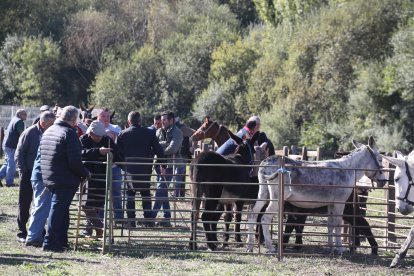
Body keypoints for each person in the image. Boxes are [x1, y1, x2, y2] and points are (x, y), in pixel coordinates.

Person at [40, 106, 90, 252]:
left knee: (61, 210)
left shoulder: (49, 130)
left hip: (50, 176)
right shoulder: (69, 133)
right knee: (58, 210)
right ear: (74, 119)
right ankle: (49, 242)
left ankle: (61, 241)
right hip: (64, 178)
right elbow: (75, 161)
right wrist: (85, 172)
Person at [117, 111, 164, 227]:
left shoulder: (122, 134)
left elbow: (117, 153)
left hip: (129, 170)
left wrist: (123, 166)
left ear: (129, 121)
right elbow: (159, 151)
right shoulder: (150, 133)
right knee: (146, 193)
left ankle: (131, 222)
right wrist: (163, 165)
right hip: (145, 169)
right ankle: (148, 221)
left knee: (130, 194)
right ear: (140, 121)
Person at [15, 111, 55, 243]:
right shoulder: (30, 132)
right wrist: (23, 171)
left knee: (40, 203)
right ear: (43, 123)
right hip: (28, 173)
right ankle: (22, 230)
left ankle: (39, 230)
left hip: (43, 174)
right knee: (25, 202)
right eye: (51, 124)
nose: (53, 126)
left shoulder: (51, 133)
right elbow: (19, 153)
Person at [80, 121, 124, 237]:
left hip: (102, 176)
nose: (99, 138)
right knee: (85, 204)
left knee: (98, 204)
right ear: (91, 133)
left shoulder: (107, 140)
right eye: (97, 135)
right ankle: (98, 227)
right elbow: (80, 153)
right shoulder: (83, 140)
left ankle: (89, 229)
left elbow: (119, 154)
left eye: (101, 135)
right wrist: (98, 151)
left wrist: (112, 155)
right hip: (87, 176)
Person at [152, 111, 183, 227]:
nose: (162, 122)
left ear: (171, 121)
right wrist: (164, 144)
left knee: (160, 189)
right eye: (162, 119)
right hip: (158, 164)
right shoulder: (159, 131)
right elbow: (153, 145)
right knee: (163, 191)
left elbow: (173, 148)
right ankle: (167, 218)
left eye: (165, 120)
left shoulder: (178, 132)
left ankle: (151, 217)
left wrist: (159, 148)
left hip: (170, 165)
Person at [97, 107, 124, 221]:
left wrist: (114, 135)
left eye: (108, 116)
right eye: (103, 116)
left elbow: (121, 142)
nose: (106, 118)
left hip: (114, 166)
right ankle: (100, 219)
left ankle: (118, 218)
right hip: (99, 166)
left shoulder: (116, 128)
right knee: (100, 193)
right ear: (98, 117)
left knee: (116, 193)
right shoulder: (94, 128)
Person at [0, 109, 27, 187]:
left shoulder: (14, 120)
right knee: (12, 164)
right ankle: (9, 182)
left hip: (7, 145)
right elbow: (22, 134)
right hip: (12, 146)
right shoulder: (19, 122)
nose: (26, 115)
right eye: (24, 114)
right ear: (19, 115)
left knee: (7, 163)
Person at [174, 117, 195, 198]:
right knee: (180, 175)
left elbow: (194, 133)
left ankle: (177, 195)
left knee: (178, 175)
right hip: (182, 153)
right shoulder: (181, 127)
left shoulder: (181, 127)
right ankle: (180, 195)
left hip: (181, 154)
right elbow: (194, 133)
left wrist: (192, 146)